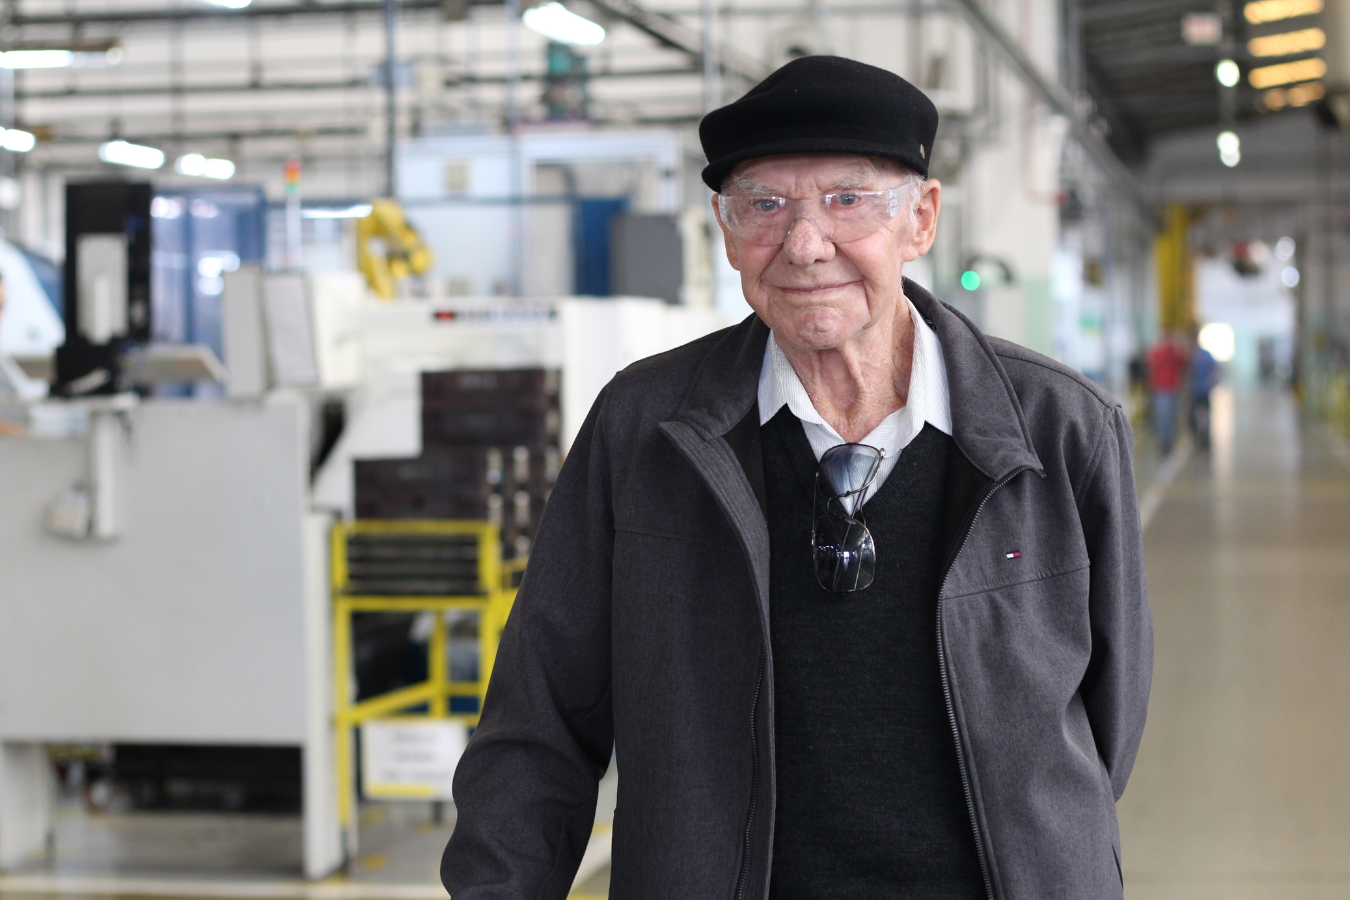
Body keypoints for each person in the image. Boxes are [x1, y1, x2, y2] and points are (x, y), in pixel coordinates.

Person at [442, 56, 1151, 900]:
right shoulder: (644, 430)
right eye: (765, 206)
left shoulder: (1062, 430)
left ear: (920, 219)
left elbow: (1109, 723)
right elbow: (539, 720)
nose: (805, 245)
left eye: (848, 200)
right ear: (726, 229)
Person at [1145, 332, 1187, 455]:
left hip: (1170, 388)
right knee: (1164, 415)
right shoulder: (1161, 352)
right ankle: (1165, 440)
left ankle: (1167, 439)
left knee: (1169, 415)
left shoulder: (1171, 352)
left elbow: (1183, 362)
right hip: (1162, 388)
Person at [1189, 331, 1219, 451]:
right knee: (1192, 419)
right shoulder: (1188, 355)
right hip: (1192, 393)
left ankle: (1204, 441)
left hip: (1202, 392)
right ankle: (1197, 440)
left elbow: (1215, 370)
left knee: (1204, 418)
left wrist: (1210, 383)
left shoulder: (1204, 355)